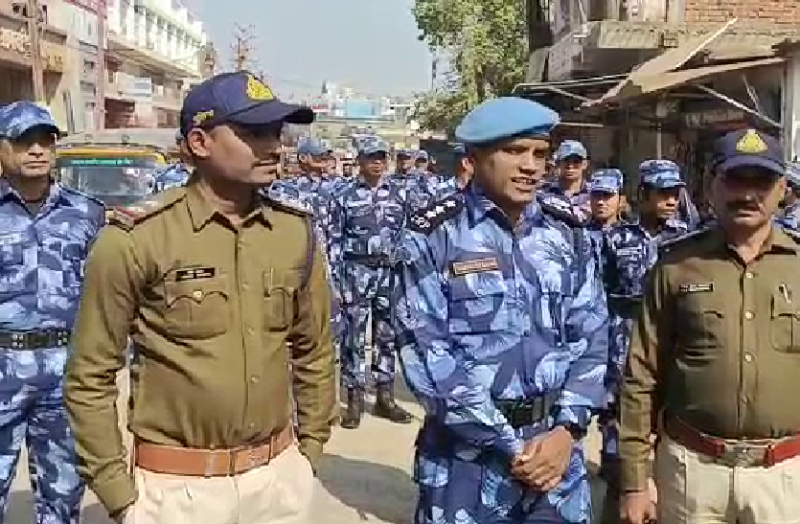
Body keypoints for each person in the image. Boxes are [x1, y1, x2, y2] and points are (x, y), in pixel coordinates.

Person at [64, 71, 336, 524]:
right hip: (180, 490)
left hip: (278, 480)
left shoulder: (294, 233)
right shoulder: (135, 239)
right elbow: (90, 375)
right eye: (253, 133)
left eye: (276, 132)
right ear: (200, 142)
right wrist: (117, 493)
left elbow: (315, 351)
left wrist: (308, 451)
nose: (273, 146)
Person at [393, 96, 609, 524]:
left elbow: (593, 335)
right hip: (467, 463)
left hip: (556, 456)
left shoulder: (568, 230)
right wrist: (512, 447)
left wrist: (567, 430)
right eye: (514, 151)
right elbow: (427, 357)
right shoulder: (433, 235)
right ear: (474, 158)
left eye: (540, 153)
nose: (530, 166)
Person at [619, 128, 800, 524]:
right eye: (735, 179)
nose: (747, 194)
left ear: (782, 189)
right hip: (692, 473)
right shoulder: (676, 266)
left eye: (761, 182)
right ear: (710, 186)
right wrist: (635, 481)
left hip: (785, 477)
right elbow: (641, 375)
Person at [0, 101, 105, 524]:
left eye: (46, 140)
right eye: (24, 140)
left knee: (62, 497)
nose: (37, 150)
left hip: (65, 370)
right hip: (2, 365)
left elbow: (105, 294)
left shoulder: (87, 213)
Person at [328, 137, 414, 428]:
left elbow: (406, 234)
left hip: (389, 274)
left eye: (381, 157)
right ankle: (354, 400)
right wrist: (335, 282)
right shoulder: (343, 195)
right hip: (356, 272)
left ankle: (384, 396)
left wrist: (404, 267)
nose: (377, 162)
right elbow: (334, 240)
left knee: (386, 336)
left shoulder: (399, 194)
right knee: (353, 338)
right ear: (360, 161)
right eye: (371, 157)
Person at [546, 139, 591, 221]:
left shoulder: (594, 194)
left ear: (585, 164)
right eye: (566, 160)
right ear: (558, 163)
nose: (570, 166)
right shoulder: (544, 193)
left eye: (576, 161)